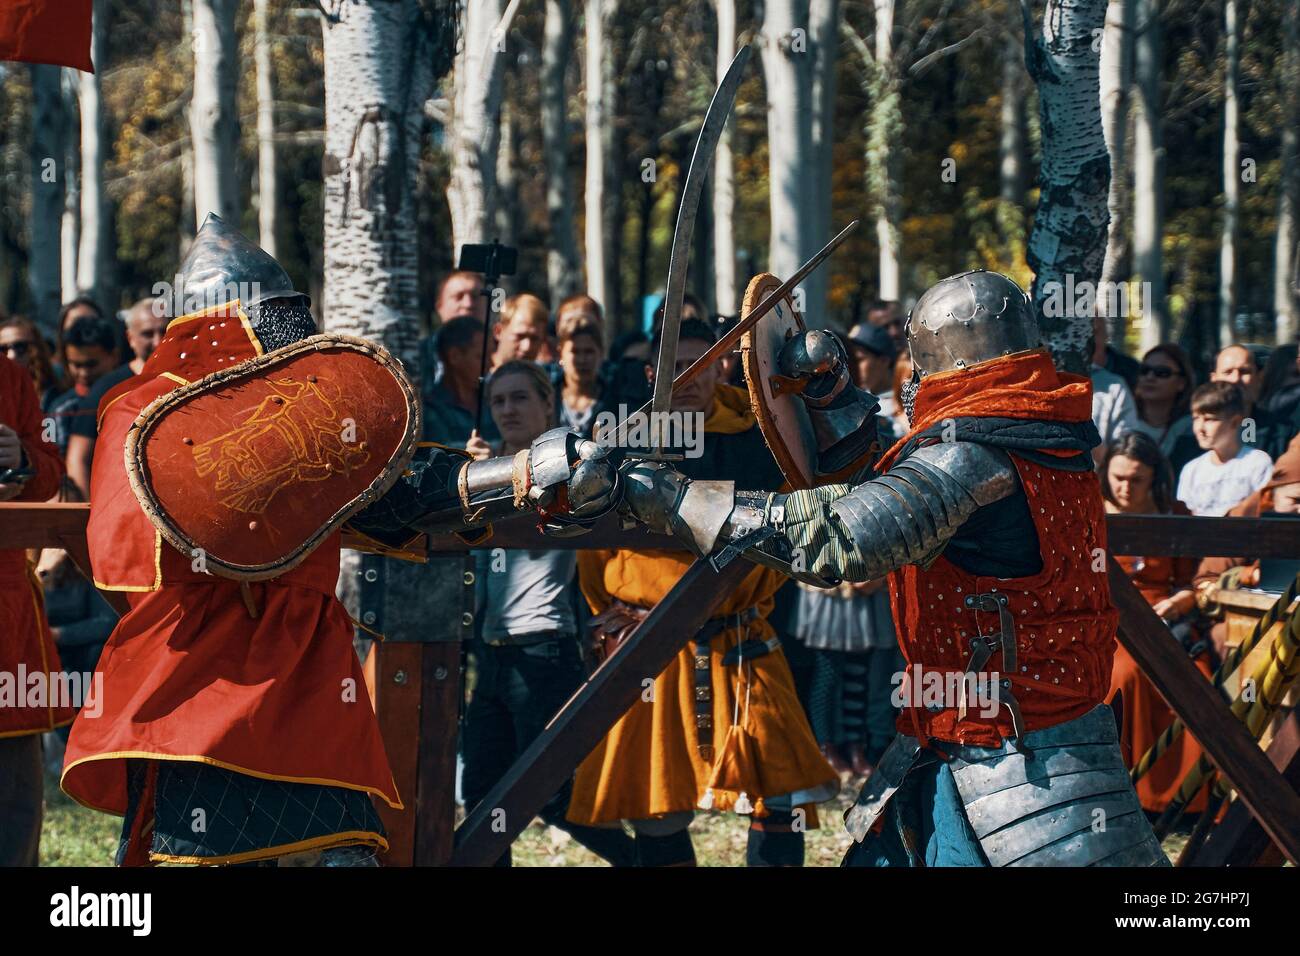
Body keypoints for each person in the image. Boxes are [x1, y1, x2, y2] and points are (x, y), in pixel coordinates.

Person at [60, 214, 620, 867]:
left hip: (308, 671)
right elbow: (127, 555)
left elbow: (393, 497)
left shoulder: (299, 406)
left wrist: (523, 471)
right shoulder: (141, 412)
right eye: (272, 319)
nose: (291, 335)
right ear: (224, 319)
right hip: (197, 675)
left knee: (344, 856)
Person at [620, 270, 1169, 867]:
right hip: (990, 743)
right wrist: (833, 402)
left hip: (1010, 770)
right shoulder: (1048, 439)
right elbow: (896, 490)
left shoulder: (978, 455)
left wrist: (677, 499)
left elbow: (840, 538)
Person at [566, 318, 842, 867]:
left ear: (721, 367)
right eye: (672, 367)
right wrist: (620, 614)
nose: (685, 377)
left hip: (742, 637)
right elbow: (592, 549)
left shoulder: (763, 439)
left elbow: (790, 526)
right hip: (650, 645)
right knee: (656, 803)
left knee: (779, 795)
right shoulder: (619, 442)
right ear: (651, 374)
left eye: (698, 364)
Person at [461, 360, 636, 867]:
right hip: (490, 657)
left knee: (556, 797)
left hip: (545, 651)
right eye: (498, 401)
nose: (508, 409)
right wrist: (468, 480)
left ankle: (644, 861)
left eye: (520, 398)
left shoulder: (572, 462)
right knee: (481, 798)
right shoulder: (484, 467)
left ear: (545, 403)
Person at [1099, 433, 1212, 813]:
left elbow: (1195, 582)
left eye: (1136, 479)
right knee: (1127, 676)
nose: (1125, 487)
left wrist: (1181, 602)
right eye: (1118, 478)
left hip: (1165, 621)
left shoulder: (1173, 515)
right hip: (1107, 624)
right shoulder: (1087, 512)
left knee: (1196, 676)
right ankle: (1133, 797)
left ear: (1154, 479)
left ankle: (1188, 801)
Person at [0, 354, 73, 866]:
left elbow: (50, 477)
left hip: (4, 610)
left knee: (14, 792)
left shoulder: (9, 376)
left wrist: (22, 461)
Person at [1194, 436, 1300, 660]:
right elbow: (1204, 585)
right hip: (1254, 628)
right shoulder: (1245, 520)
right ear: (1271, 495)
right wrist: (1249, 575)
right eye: (1295, 501)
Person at [1176, 381, 1274, 516]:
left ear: (1235, 422)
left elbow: (1264, 510)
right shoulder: (1191, 470)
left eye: (1209, 419)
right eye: (1196, 418)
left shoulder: (1257, 463)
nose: (1200, 428)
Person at [422, 316, 499, 447]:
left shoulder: (497, 399)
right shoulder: (429, 409)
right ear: (454, 356)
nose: (491, 364)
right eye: (481, 356)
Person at [1129, 344, 1197, 474]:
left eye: (1162, 373)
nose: (1150, 377)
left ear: (1182, 383)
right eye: (1144, 370)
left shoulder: (1193, 428)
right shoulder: (1123, 421)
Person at [1089, 314, 1139, 464]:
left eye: (1094, 331)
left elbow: (1124, 453)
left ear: (1105, 335)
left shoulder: (1117, 384)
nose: (1087, 339)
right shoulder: (1036, 381)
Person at [0, 316, 65, 407]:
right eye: (3, 349)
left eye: (20, 347)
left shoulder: (58, 392)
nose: (11, 356)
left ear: (36, 349)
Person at [493, 293, 551, 367]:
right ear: (498, 332)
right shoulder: (477, 373)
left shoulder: (547, 376)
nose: (526, 347)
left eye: (534, 339)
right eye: (520, 336)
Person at [123, 297, 167, 374]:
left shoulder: (189, 378)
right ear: (130, 338)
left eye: (164, 332)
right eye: (148, 334)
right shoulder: (111, 384)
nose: (157, 342)